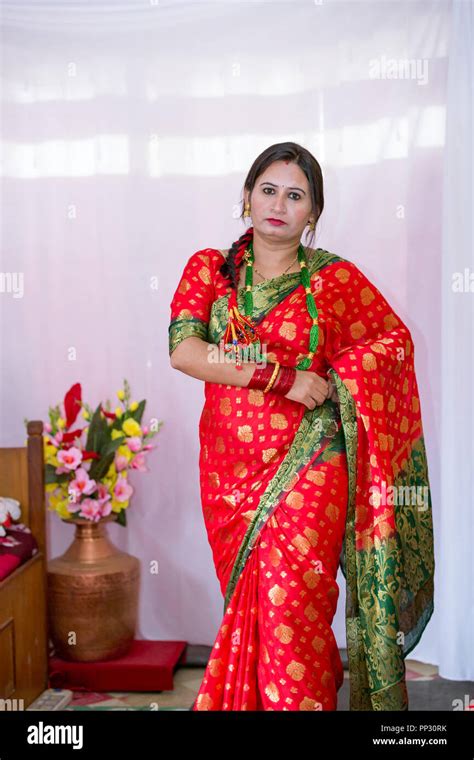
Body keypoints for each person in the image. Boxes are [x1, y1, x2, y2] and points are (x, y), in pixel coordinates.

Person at [168, 141, 434, 711]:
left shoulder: (334, 279)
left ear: (312, 213)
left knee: (296, 604)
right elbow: (186, 352)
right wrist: (281, 378)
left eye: (296, 196)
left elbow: (393, 342)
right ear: (246, 197)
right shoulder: (209, 271)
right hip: (230, 472)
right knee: (254, 604)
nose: (279, 205)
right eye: (268, 190)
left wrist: (342, 375)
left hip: (312, 464)